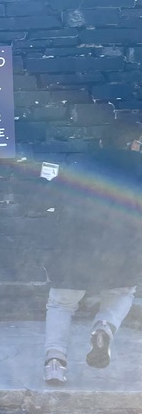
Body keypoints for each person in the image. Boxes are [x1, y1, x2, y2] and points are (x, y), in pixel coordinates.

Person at [40, 140, 142, 385]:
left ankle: (55, 363)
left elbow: (53, 200)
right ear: (134, 143)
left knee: (62, 304)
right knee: (121, 292)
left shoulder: (81, 163)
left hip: (75, 245)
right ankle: (104, 328)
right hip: (124, 247)